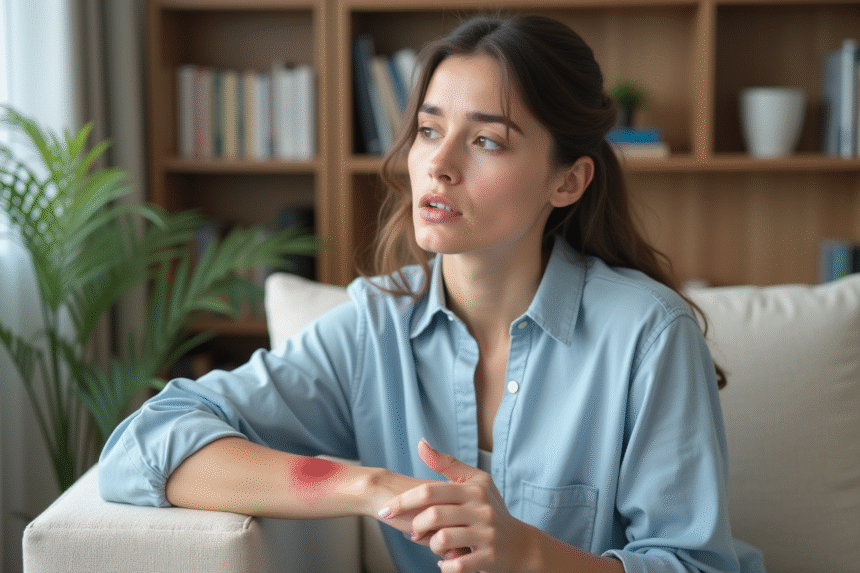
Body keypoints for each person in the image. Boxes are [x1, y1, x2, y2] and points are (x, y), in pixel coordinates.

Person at [100, 14, 764, 573]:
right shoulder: (375, 324)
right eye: (427, 129)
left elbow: (695, 562)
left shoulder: (649, 334)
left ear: (567, 181)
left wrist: (530, 554)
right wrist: (374, 487)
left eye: (485, 140)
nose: (439, 164)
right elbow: (145, 443)